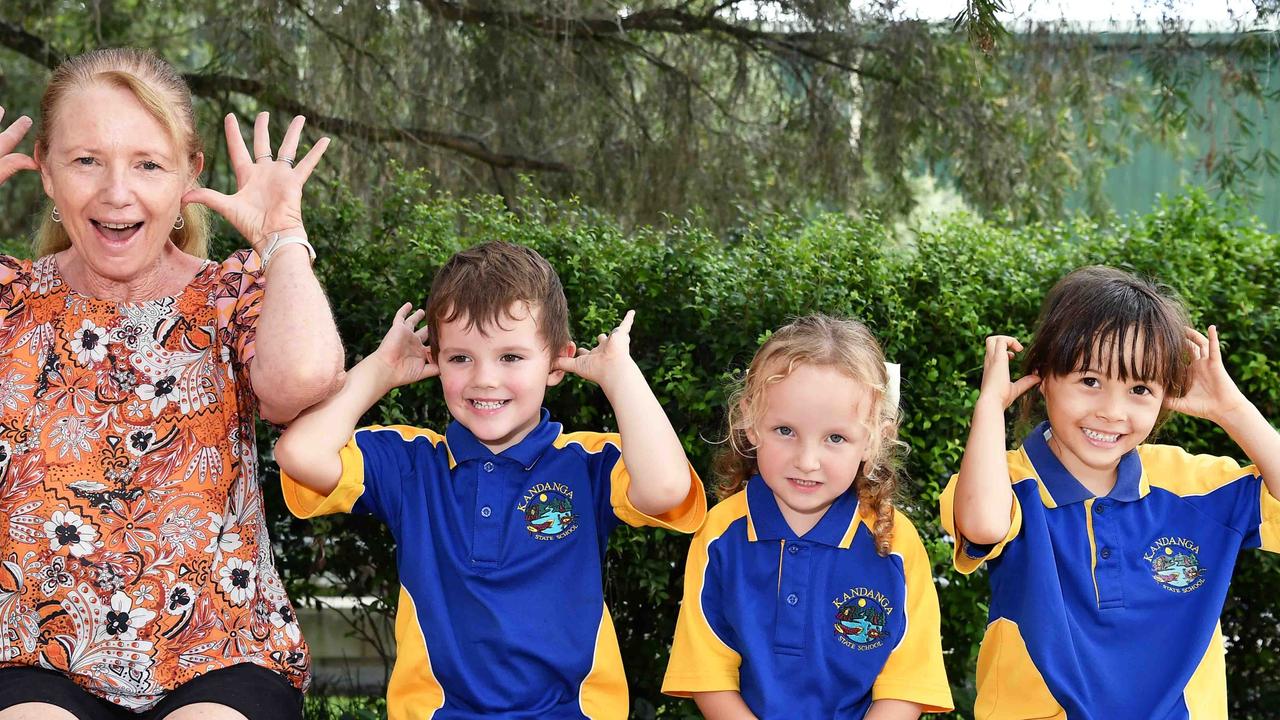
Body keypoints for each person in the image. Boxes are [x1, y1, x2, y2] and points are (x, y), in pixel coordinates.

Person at [0, 48, 343, 720]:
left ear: (189, 174)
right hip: (30, 658)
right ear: (43, 169)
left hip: (223, 656)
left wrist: (282, 235)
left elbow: (301, 379)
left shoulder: (230, 296)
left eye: (147, 164)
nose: (117, 192)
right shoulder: (12, 301)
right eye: (86, 160)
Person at [272, 240, 707, 719]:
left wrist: (619, 375)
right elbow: (298, 452)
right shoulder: (411, 464)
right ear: (435, 359)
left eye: (511, 358)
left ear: (557, 362)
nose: (484, 379)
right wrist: (379, 369)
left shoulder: (586, 462)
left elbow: (667, 487)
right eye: (460, 358)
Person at [941, 265, 1280, 718]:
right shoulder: (1005, 480)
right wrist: (989, 406)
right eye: (1089, 381)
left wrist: (1232, 409)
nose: (1112, 412)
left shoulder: (1193, 486)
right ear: (1043, 375)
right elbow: (983, 524)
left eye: (1140, 388)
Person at [662, 315, 953, 719]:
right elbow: (707, 676)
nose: (807, 460)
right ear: (750, 421)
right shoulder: (719, 533)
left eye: (835, 438)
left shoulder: (896, 544)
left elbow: (907, 683)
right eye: (785, 430)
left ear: (873, 440)